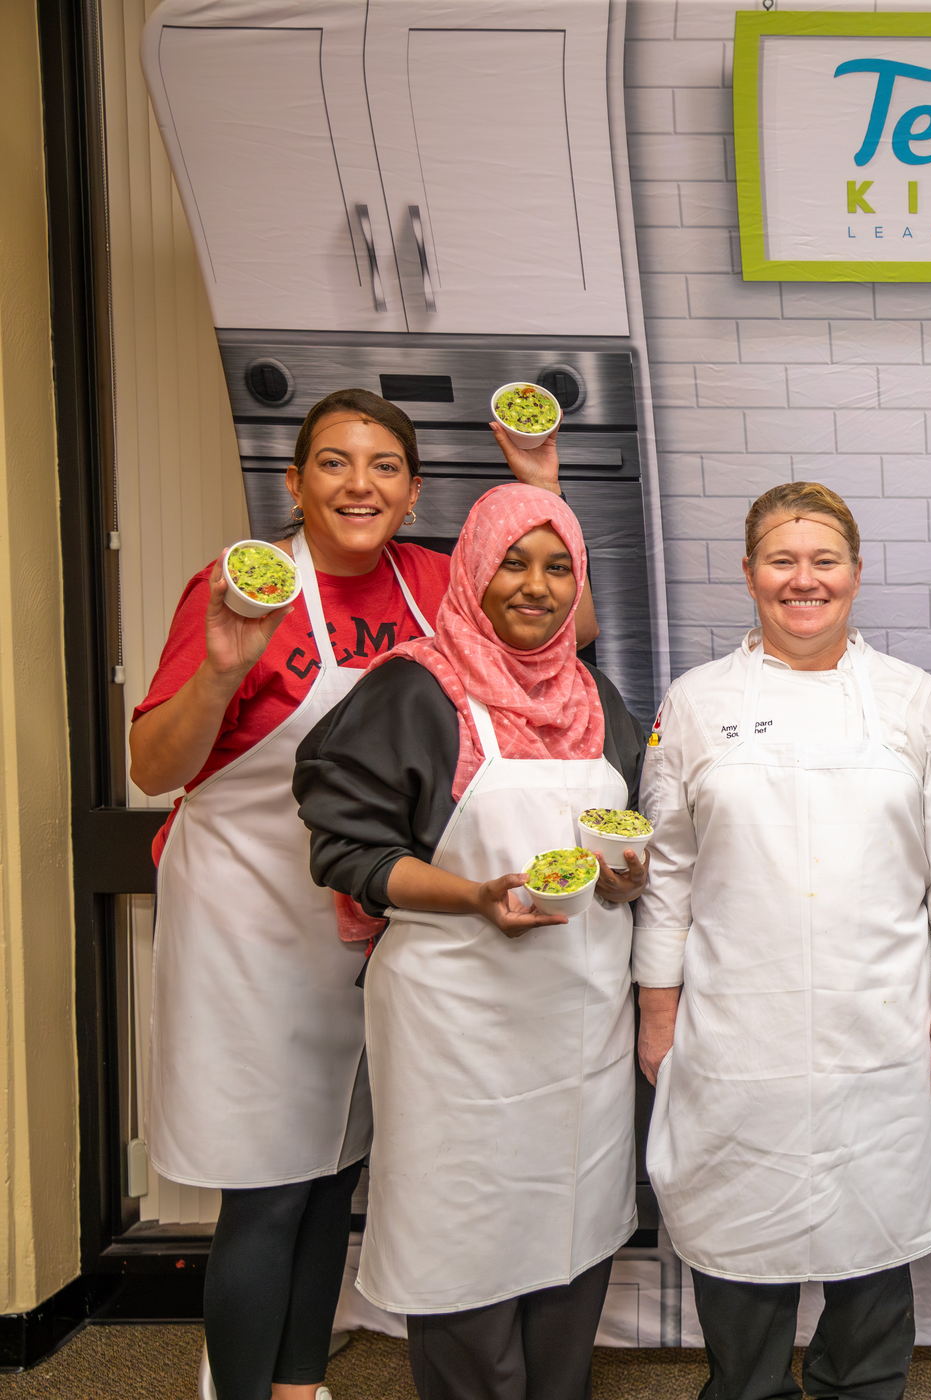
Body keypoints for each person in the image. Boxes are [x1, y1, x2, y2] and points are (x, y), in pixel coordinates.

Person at [129, 389, 581, 1400]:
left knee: (336, 1164)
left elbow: (563, 627)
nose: (358, 483)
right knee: (267, 1182)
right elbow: (156, 765)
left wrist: (540, 484)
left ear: (413, 489)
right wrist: (220, 670)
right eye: (333, 462)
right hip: (248, 918)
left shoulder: (432, 582)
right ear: (293, 482)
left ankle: (300, 1383)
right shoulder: (241, 587)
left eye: (383, 465)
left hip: (377, 913)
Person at [634, 482, 931, 1400]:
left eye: (824, 560)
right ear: (751, 574)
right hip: (732, 1030)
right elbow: (667, 871)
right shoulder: (694, 703)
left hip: (874, 1030)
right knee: (738, 1246)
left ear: (856, 574)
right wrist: (657, 1007)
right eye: (783, 560)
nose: (805, 581)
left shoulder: (916, 700)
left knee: (870, 1255)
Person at [294, 483, 647, 1400]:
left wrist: (624, 872)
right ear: (473, 573)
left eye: (557, 565)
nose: (534, 587)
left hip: (581, 1019)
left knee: (572, 1223)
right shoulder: (416, 687)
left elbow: (624, 828)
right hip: (457, 1019)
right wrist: (475, 897)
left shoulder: (595, 693)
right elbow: (349, 852)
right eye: (512, 564)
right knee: (465, 1233)